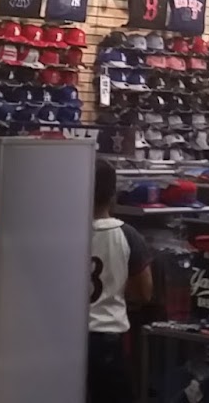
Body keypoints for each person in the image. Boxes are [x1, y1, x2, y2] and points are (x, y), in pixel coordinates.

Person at [87, 160, 151, 403]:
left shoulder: (66, 233)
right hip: (108, 335)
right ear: (113, 194)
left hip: (67, 336)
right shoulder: (127, 235)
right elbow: (144, 292)